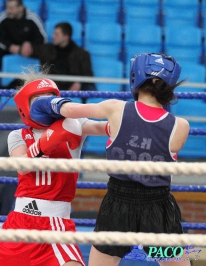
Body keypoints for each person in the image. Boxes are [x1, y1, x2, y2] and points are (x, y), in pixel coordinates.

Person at [29, 53, 190, 266]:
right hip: (158, 206)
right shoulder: (181, 126)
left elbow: (70, 110)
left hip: (118, 203)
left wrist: (45, 102)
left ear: (136, 76)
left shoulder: (116, 108)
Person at [0, 73, 107, 266]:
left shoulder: (73, 124)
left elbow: (101, 128)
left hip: (55, 224)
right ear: (25, 105)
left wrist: (126, 120)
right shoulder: (17, 135)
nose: (45, 104)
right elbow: (22, 167)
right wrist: (48, 141)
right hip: (19, 223)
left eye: (49, 97)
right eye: (39, 99)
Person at [21, 22, 96, 93]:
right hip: (50, 85)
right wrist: (26, 44)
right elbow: (30, 50)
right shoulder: (46, 49)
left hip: (72, 87)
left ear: (66, 37)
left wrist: (79, 83)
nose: (53, 36)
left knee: (90, 89)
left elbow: (88, 74)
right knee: (22, 81)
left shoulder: (82, 54)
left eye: (56, 34)